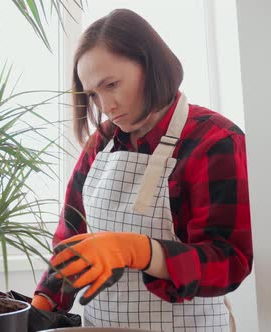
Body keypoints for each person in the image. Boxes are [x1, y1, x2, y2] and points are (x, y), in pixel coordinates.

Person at [30, 8, 253, 332]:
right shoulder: (103, 141)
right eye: (93, 94)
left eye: (112, 84)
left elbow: (229, 262)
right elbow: (72, 234)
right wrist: (42, 306)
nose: (105, 106)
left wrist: (139, 251)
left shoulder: (215, 141)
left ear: (149, 65)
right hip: (100, 326)